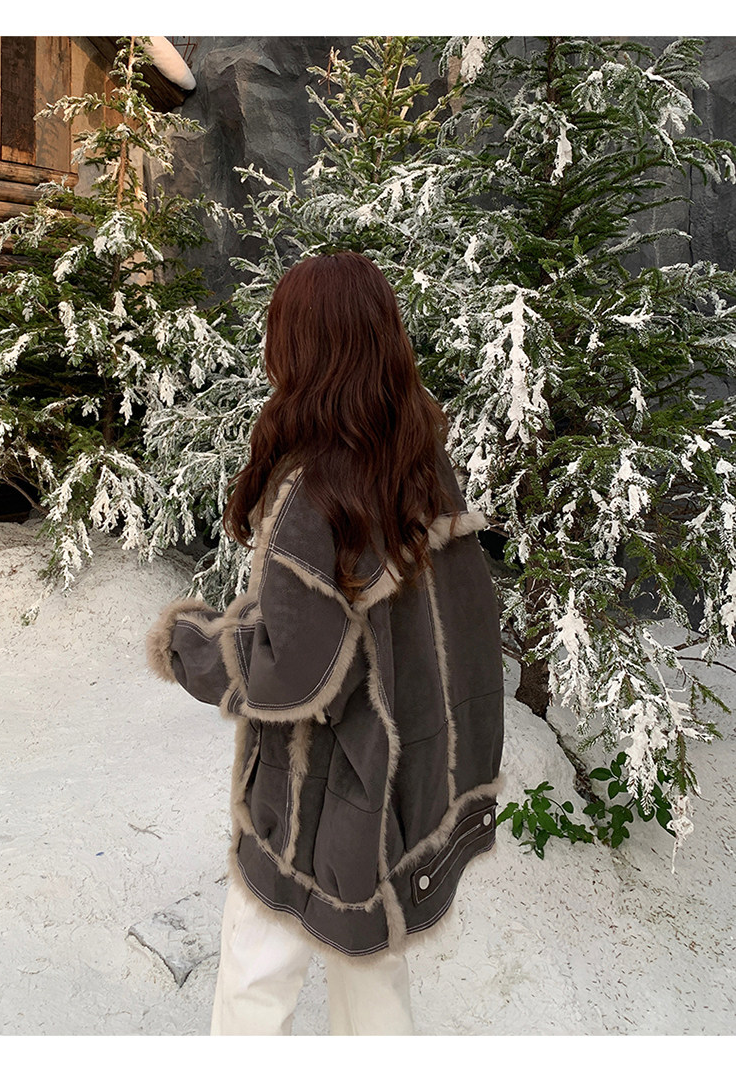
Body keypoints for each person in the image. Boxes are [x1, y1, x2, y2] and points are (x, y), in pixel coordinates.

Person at [146, 250, 505, 1036]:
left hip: (316, 791)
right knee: (373, 983)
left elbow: (293, 673)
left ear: (304, 347)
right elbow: (467, 632)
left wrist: (189, 645)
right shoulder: (420, 463)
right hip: (400, 784)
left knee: (255, 977)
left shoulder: (316, 495)